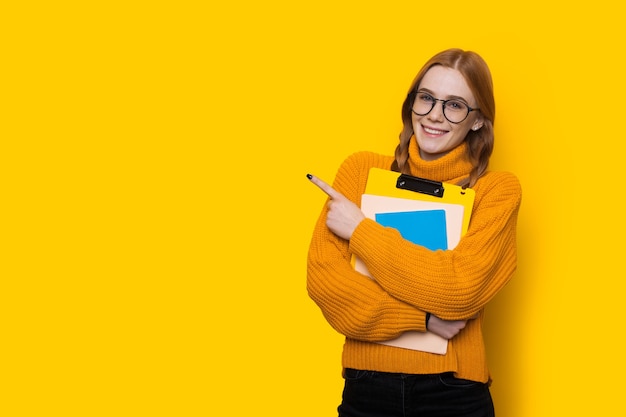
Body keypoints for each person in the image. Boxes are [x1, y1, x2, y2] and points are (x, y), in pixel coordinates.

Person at [306, 48, 521, 417]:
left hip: (453, 393)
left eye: (454, 105)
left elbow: (458, 289)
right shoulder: (361, 171)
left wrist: (360, 229)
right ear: (411, 104)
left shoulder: (495, 191)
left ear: (478, 122)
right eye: (426, 98)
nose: (434, 115)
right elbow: (325, 283)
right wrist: (422, 319)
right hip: (367, 388)